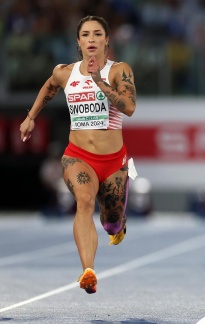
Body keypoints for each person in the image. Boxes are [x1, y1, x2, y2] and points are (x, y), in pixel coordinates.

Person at [20, 15, 137, 294]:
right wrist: (31, 117)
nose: (92, 40)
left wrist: (99, 82)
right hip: (77, 155)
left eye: (98, 34)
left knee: (110, 222)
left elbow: (130, 107)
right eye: (86, 35)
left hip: (113, 162)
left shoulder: (119, 70)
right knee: (84, 201)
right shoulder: (65, 72)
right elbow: (49, 87)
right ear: (78, 41)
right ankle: (88, 270)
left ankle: (117, 223)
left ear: (107, 39)